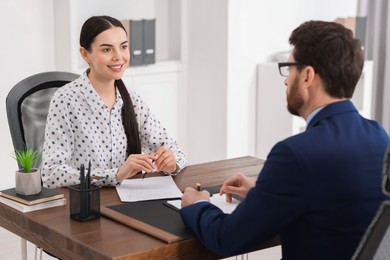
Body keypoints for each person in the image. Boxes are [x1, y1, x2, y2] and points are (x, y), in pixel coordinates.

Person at [180, 21, 390, 259]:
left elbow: (225, 238)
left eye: (289, 69)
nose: (286, 80)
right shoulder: (380, 137)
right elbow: (333, 204)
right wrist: (264, 195)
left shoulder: (296, 154)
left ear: (308, 75)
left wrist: (197, 205)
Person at [41, 15, 187, 188]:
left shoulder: (132, 99)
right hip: (85, 205)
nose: (119, 57)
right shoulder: (65, 100)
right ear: (85, 54)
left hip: (126, 200)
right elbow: (51, 174)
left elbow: (176, 151)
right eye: (106, 50)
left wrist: (171, 162)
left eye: (123, 47)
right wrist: (115, 174)